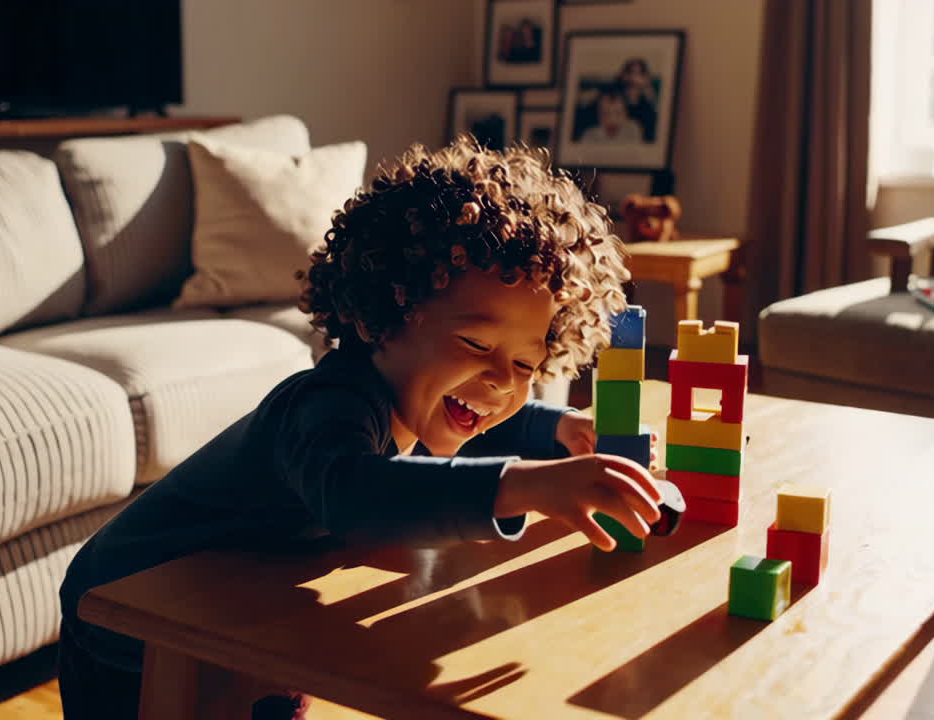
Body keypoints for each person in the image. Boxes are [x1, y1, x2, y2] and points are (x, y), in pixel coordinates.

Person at [56, 136, 664, 720]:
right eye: (477, 343)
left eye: (527, 363)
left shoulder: (415, 392)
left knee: (275, 686)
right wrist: (522, 486)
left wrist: (558, 428)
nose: (503, 381)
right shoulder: (331, 403)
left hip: (238, 593)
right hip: (124, 607)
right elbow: (354, 491)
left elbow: (477, 412)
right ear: (384, 315)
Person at [617, 58, 659, 143]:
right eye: (630, 73)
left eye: (639, 74)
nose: (633, 78)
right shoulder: (613, 100)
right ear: (623, 75)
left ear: (646, 79)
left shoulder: (649, 107)